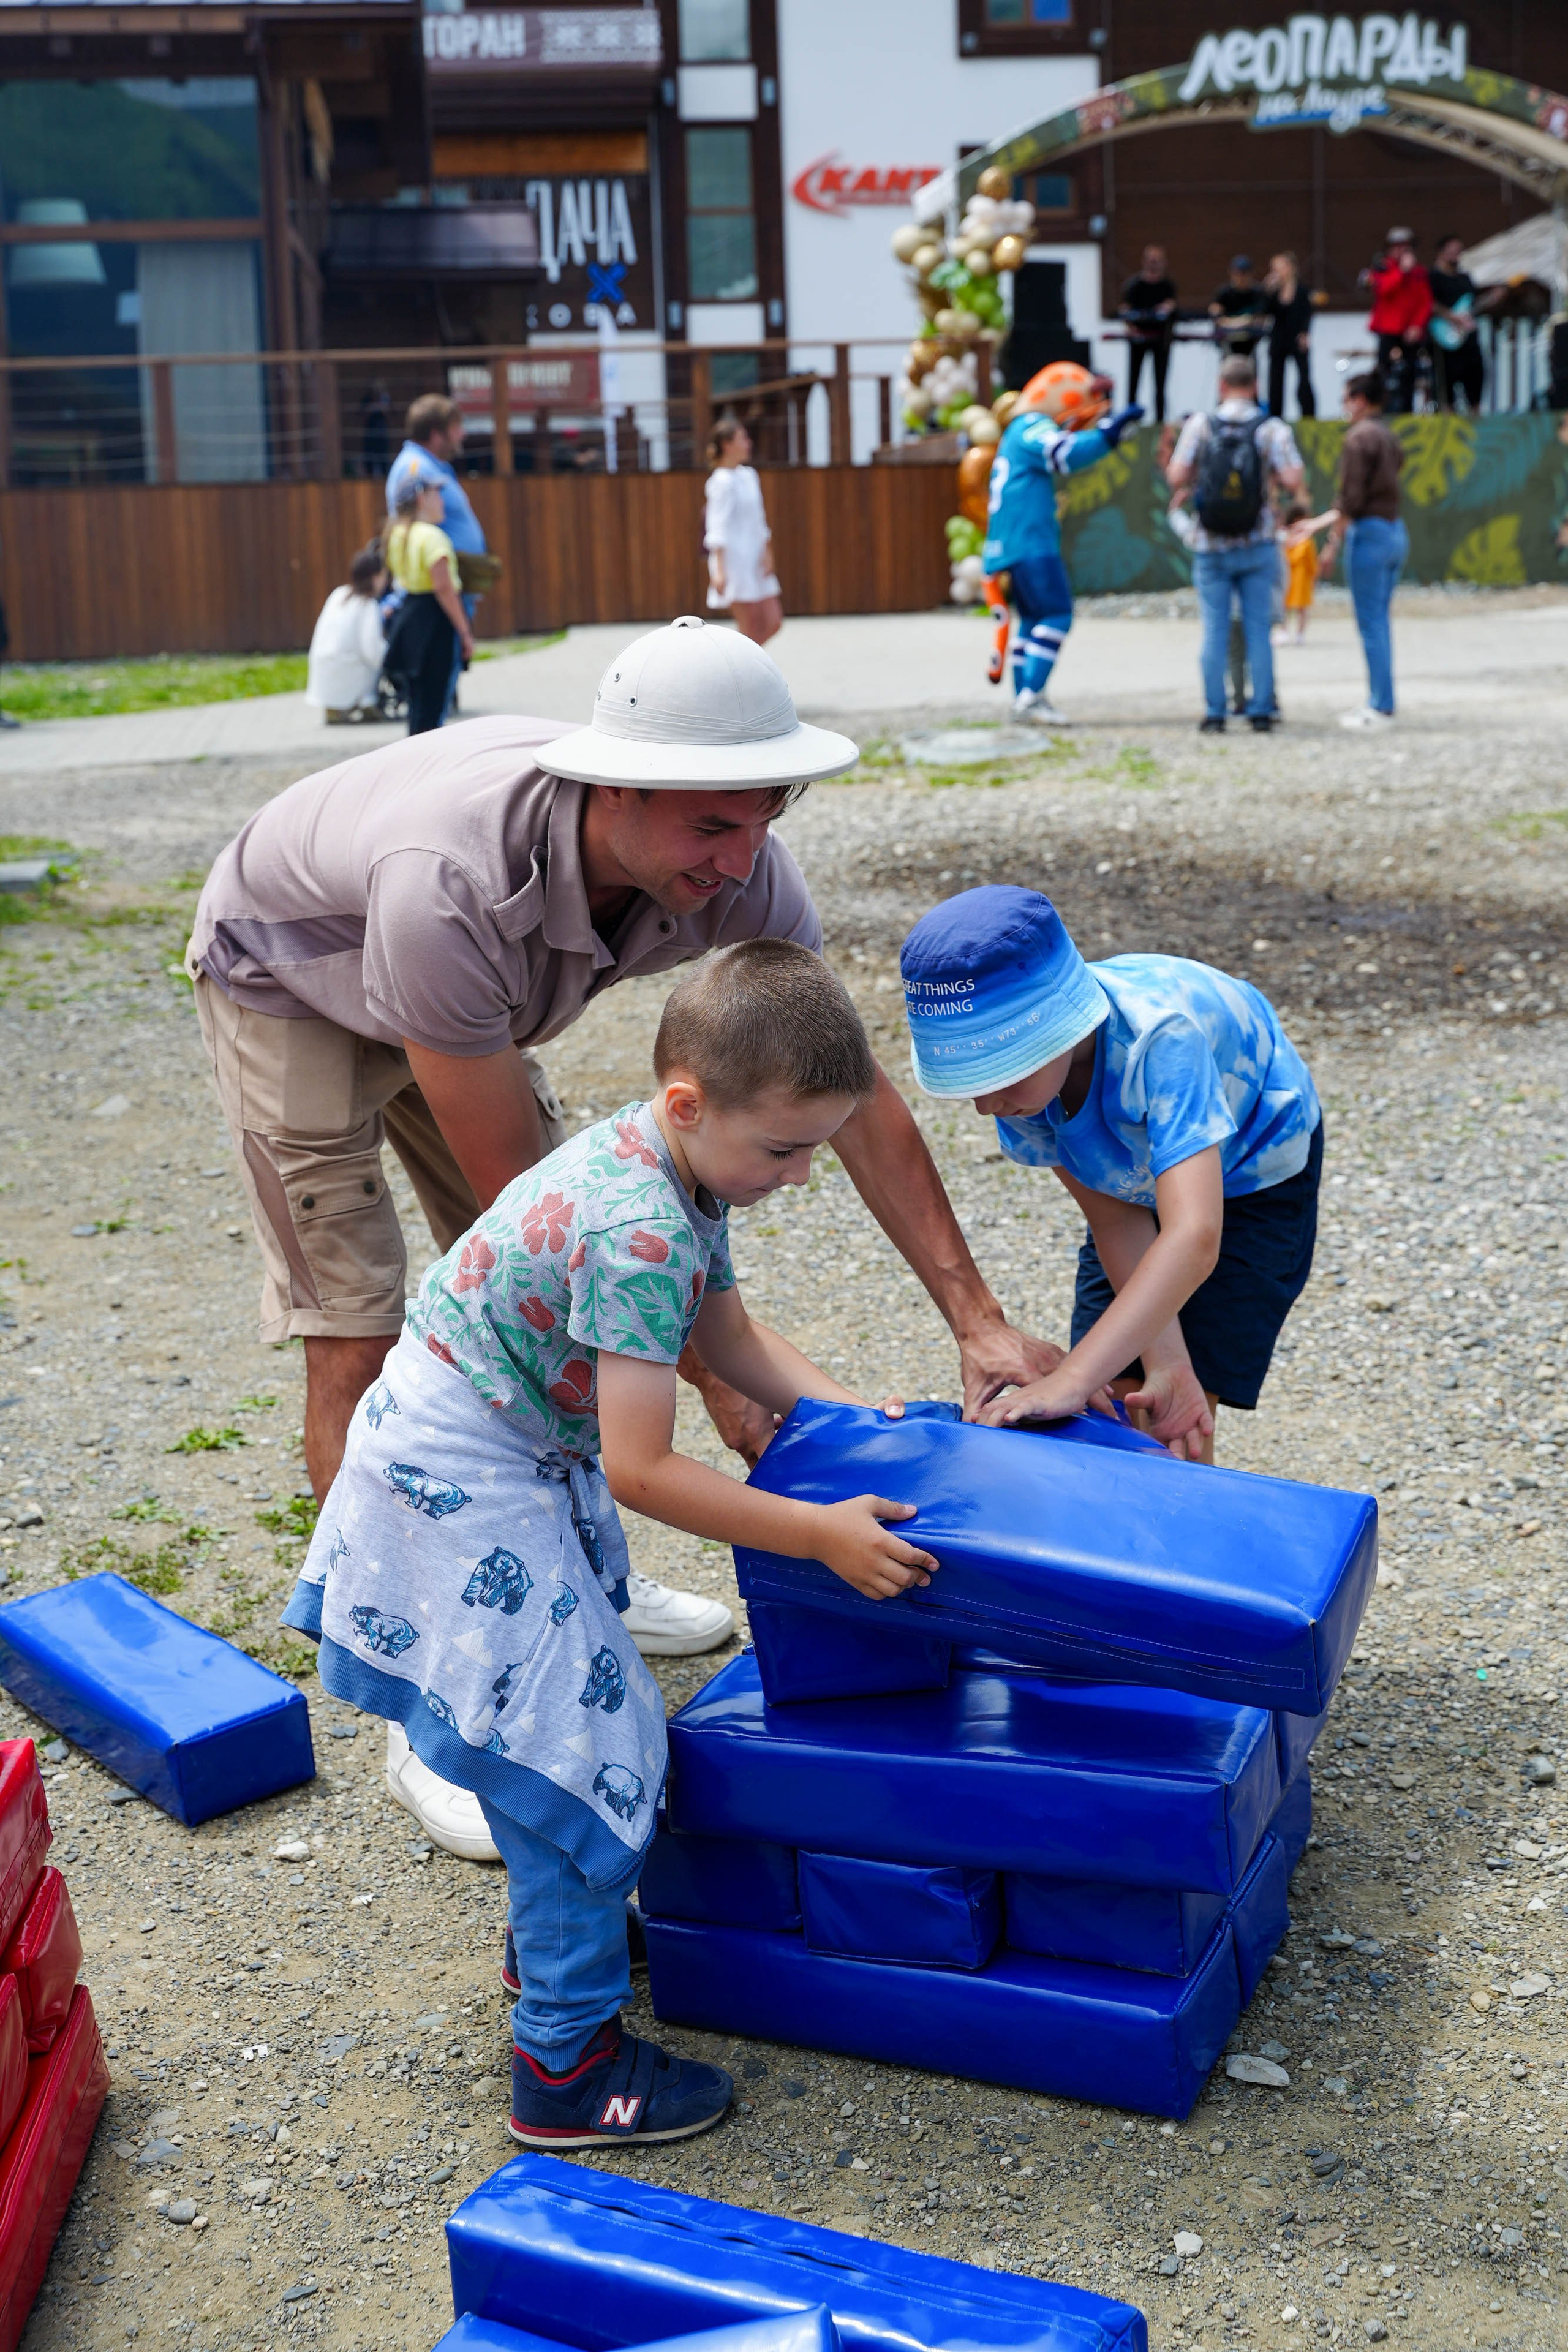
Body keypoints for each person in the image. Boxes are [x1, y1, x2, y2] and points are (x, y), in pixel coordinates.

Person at [189, 616, 1064, 1855]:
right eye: (714, 823)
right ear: (610, 786)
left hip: (459, 997)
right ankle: (425, 1696)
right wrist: (707, 1387)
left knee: (568, 1332)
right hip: (298, 973)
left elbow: (844, 1088)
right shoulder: (451, 883)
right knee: (359, 1322)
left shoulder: (740, 866)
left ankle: (581, 1585)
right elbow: (556, 1232)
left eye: (766, 813)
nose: (745, 850)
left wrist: (972, 1322)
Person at [288, 941, 937, 2149]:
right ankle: (566, 2070)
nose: (798, 1177)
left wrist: (849, 1430)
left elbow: (731, 1337)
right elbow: (644, 1468)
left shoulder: (684, 1173)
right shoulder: (638, 1224)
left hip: (503, 1455)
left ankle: (555, 1940)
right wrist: (817, 1535)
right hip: (457, 1483)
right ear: (689, 1104)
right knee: (577, 1749)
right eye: (786, 1150)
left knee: (568, 1738)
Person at [900, 886, 1322, 1466]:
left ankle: (1183, 1538)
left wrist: (1074, 1376)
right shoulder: (1022, 1092)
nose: (985, 1106)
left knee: (1174, 1415)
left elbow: (1195, 1236)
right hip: (1129, 1176)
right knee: (1129, 1399)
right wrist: (1163, 1360)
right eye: (972, 1084)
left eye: (998, 1075)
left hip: (1249, 1172)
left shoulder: (1162, 1040)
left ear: (1058, 1030)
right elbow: (1114, 1214)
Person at [981, 361, 1144, 726]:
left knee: (1033, 620)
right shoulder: (1031, 425)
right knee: (1056, 614)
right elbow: (1064, 453)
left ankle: (1025, 697)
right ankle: (1031, 697)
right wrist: (1109, 435)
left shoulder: (1015, 433)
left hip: (1011, 543)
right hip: (1030, 543)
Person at [1164, 353, 1305, 734]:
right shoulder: (1271, 428)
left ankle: (1215, 712)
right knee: (1259, 629)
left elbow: (1176, 475)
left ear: (1221, 386)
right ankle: (1261, 710)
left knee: (1215, 630)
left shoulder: (1200, 425)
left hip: (1211, 545)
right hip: (1256, 542)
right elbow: (1294, 478)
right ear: (1255, 386)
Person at [1303, 371, 1408, 731]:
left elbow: (1351, 499)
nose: (1345, 407)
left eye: (1346, 400)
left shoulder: (1358, 438)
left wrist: (1329, 540)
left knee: (1371, 623)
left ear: (1360, 400)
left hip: (1370, 534)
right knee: (1380, 621)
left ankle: (1381, 706)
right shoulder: (1388, 436)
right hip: (1395, 530)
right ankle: (1383, 700)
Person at [388, 394, 488, 718]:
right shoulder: (417, 469)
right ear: (436, 433)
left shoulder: (433, 468)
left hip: (442, 593)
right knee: (432, 699)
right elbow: (409, 523)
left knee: (434, 695)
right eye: (457, 428)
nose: (462, 436)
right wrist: (462, 628)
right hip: (437, 597)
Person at [380, 472, 473, 737]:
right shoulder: (432, 537)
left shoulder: (397, 534)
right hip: (434, 621)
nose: (441, 502)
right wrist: (464, 631)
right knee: (434, 705)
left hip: (410, 618)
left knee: (417, 704)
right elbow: (443, 587)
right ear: (423, 498)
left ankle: (415, 757)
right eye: (437, 494)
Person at [703, 418, 782, 648]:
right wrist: (719, 570)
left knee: (773, 621)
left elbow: (760, 520)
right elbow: (716, 525)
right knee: (750, 624)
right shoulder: (720, 482)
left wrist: (768, 553)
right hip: (734, 561)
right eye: (742, 439)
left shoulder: (749, 475)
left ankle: (740, 665)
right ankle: (740, 672)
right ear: (728, 445)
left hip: (755, 557)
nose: (748, 444)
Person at [305, 545, 390, 724]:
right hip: (348, 673)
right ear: (375, 577)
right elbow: (372, 650)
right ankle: (367, 703)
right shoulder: (368, 605)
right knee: (375, 660)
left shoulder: (339, 594)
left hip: (322, 669)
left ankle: (335, 708)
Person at [1363, 228, 1430, 414]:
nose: (1402, 252)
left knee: (1410, 374)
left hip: (1411, 331)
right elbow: (1383, 290)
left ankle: (1407, 412)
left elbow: (1425, 302)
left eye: (1406, 248)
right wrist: (1401, 271)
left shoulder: (1419, 272)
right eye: (1398, 247)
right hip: (1388, 329)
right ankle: (1380, 410)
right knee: (1384, 372)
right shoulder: (1382, 267)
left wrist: (1417, 326)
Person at [1118, 245, 1178, 423]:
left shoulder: (1168, 286)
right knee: (1134, 381)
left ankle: (1159, 421)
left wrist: (1169, 308)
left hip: (1161, 340)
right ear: (1144, 262)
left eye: (1158, 261)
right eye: (1151, 261)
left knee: (1160, 383)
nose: (1154, 265)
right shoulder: (1133, 285)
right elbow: (1124, 310)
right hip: (1138, 340)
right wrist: (1130, 326)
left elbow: (1173, 310)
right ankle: (1130, 420)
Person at [1428, 233, 1485, 413]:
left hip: (1468, 340)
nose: (1457, 255)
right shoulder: (1432, 278)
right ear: (1441, 252)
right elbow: (1427, 303)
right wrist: (1452, 317)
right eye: (1453, 251)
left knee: (1475, 379)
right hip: (1443, 340)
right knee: (1446, 386)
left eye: (1459, 251)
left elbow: (1474, 304)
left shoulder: (1465, 279)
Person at [1263, 250, 1316, 420]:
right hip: (1279, 338)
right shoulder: (1273, 292)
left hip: (1297, 337)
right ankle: (1275, 416)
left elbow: (1308, 313)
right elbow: (1266, 312)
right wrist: (1268, 291)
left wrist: (1305, 333)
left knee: (1304, 378)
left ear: (1291, 268)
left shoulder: (1302, 291)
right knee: (1276, 380)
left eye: (1281, 267)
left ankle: (1308, 416)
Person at [1208, 256, 1267, 360]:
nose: (1241, 278)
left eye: (1244, 274)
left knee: (1249, 369)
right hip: (1228, 340)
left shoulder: (1258, 293)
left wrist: (1234, 322)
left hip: (1250, 341)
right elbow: (1217, 318)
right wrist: (1243, 321)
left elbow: (1261, 319)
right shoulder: (1224, 293)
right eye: (1238, 274)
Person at [1279, 498, 1319, 645]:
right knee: (1284, 607)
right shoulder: (1284, 536)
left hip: (1302, 579)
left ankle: (1300, 634)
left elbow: (1311, 562)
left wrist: (1314, 577)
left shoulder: (1306, 541)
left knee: (1302, 609)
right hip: (1287, 577)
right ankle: (1284, 631)